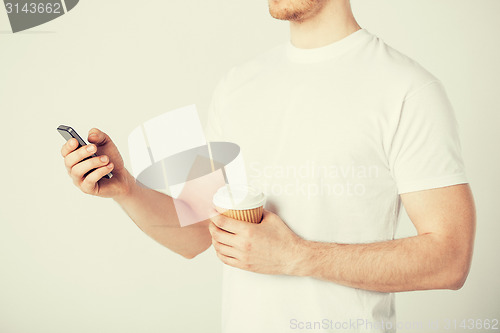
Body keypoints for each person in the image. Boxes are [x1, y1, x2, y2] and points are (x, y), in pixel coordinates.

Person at [60, 0, 476, 332]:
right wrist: (126, 188)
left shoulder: (409, 89)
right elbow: (196, 234)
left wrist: (299, 257)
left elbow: (450, 258)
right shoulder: (236, 85)